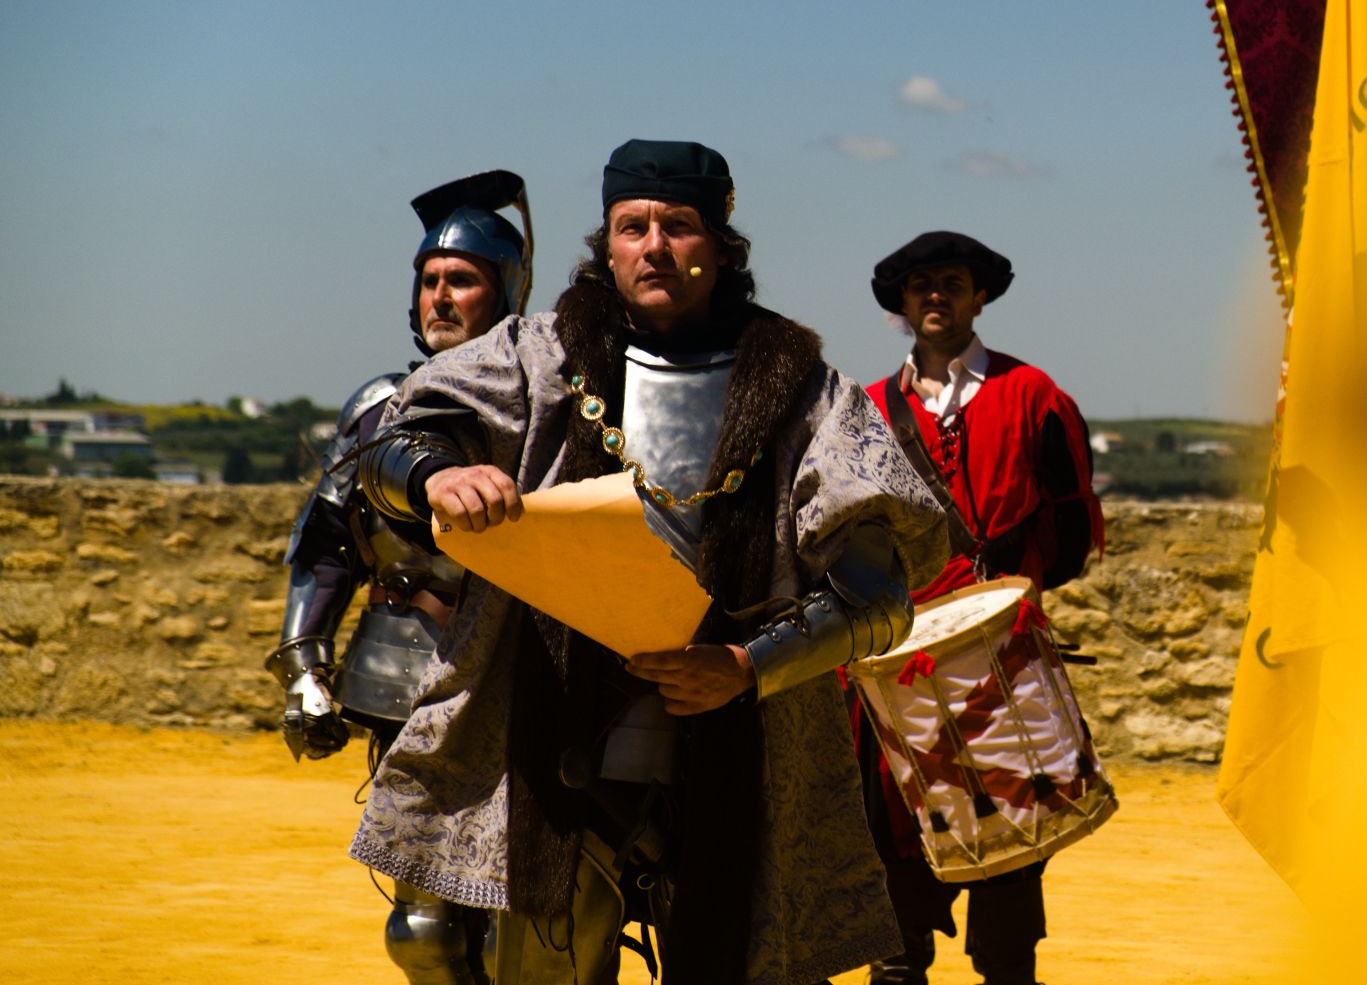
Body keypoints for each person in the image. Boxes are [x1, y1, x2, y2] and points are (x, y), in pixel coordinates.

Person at [345, 139, 949, 985]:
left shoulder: (809, 391)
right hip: (551, 731)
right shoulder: (533, 356)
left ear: (721, 246)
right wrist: (436, 474)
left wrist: (746, 664)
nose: (654, 246)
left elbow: (879, 595)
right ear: (608, 243)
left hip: (745, 739)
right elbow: (390, 449)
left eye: (679, 226)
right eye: (633, 227)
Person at [265, 170, 534, 985]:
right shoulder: (380, 406)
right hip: (402, 669)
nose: (441, 296)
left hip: (524, 679)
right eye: (430, 279)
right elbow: (325, 546)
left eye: (463, 279)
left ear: (506, 290)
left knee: (521, 930)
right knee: (422, 930)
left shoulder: (545, 405)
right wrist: (304, 671)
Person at [860, 231, 1105, 985]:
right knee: (897, 837)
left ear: (979, 296)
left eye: (953, 282)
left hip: (1003, 656)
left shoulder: (1034, 393)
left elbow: (1070, 521)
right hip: (901, 658)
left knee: (1015, 832)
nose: (936, 295)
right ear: (903, 303)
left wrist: (1008, 594)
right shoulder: (867, 408)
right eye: (921, 285)